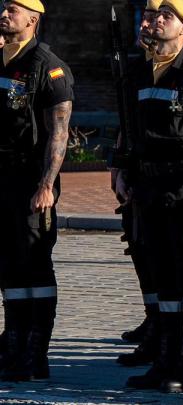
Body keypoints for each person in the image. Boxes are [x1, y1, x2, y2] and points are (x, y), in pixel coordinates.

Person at [114, 0, 183, 393]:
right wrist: (122, 172)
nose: (156, 21)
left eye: (167, 17)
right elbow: (130, 130)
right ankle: (163, 361)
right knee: (160, 281)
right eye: (155, 16)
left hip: (181, 192)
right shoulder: (139, 73)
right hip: (147, 191)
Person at [0, 0, 74, 381]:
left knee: (35, 265)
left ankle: (35, 353)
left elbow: (59, 132)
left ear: (33, 18)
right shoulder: (2, 60)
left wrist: (47, 185)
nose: (4, 12)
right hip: (2, 179)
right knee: (10, 266)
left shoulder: (47, 65)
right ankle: (12, 348)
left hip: (31, 181)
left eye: (14, 8)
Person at [114, 0, 162, 368]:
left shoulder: (176, 72)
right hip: (137, 171)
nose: (147, 24)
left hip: (167, 181)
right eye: (145, 17)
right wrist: (118, 167)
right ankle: (152, 315)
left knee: (163, 259)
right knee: (140, 248)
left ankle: (163, 328)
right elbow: (125, 122)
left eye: (155, 18)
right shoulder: (136, 69)